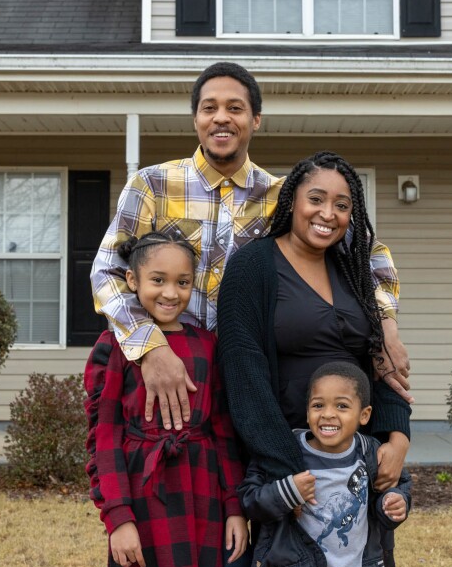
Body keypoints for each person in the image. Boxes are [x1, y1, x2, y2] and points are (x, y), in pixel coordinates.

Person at [90, 62, 413, 438]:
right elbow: (108, 272)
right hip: (170, 369)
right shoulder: (153, 184)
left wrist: (386, 325)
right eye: (209, 108)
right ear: (195, 118)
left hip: (248, 380)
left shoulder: (283, 197)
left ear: (256, 119)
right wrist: (151, 348)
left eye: (235, 108)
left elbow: (370, 256)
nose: (221, 118)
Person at [217, 151, 412, 567]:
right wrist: (295, 470)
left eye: (343, 206)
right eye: (317, 199)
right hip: (286, 470)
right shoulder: (252, 268)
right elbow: (243, 378)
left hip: (354, 458)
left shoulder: (353, 270)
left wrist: (397, 439)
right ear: (292, 202)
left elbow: (378, 364)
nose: (329, 214)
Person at [84, 231, 248, 567]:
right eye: (158, 280)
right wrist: (118, 517)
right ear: (132, 279)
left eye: (183, 282)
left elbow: (223, 432)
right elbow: (106, 437)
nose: (171, 293)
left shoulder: (208, 345)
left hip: (202, 489)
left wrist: (234, 506)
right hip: (141, 488)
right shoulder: (117, 346)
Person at [239, 361, 412, 567]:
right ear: (307, 409)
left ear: (364, 415)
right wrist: (287, 492)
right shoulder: (284, 451)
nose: (327, 414)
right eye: (318, 405)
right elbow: (250, 500)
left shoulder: (369, 453)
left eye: (341, 406)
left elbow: (397, 486)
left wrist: (395, 502)